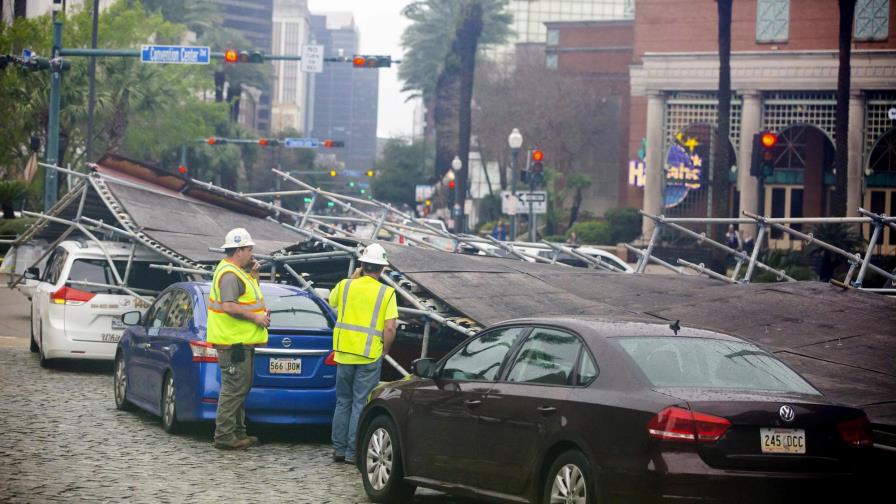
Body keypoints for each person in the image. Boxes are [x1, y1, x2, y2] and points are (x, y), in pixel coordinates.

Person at [328, 243, 398, 465]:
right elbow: (390, 328)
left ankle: (339, 450)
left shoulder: (345, 285)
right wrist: (385, 349)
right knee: (360, 404)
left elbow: (332, 301)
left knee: (342, 402)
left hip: (344, 353)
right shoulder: (387, 293)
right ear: (382, 268)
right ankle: (352, 453)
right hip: (369, 355)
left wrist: (353, 277)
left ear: (362, 264)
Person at [206, 228, 270, 450]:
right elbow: (229, 306)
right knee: (234, 389)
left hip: (239, 342)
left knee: (239, 389)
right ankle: (224, 436)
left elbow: (247, 300)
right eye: (249, 249)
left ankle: (238, 433)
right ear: (239, 250)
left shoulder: (238, 272)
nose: (252, 253)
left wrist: (254, 275)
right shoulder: (230, 275)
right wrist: (256, 318)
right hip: (233, 343)